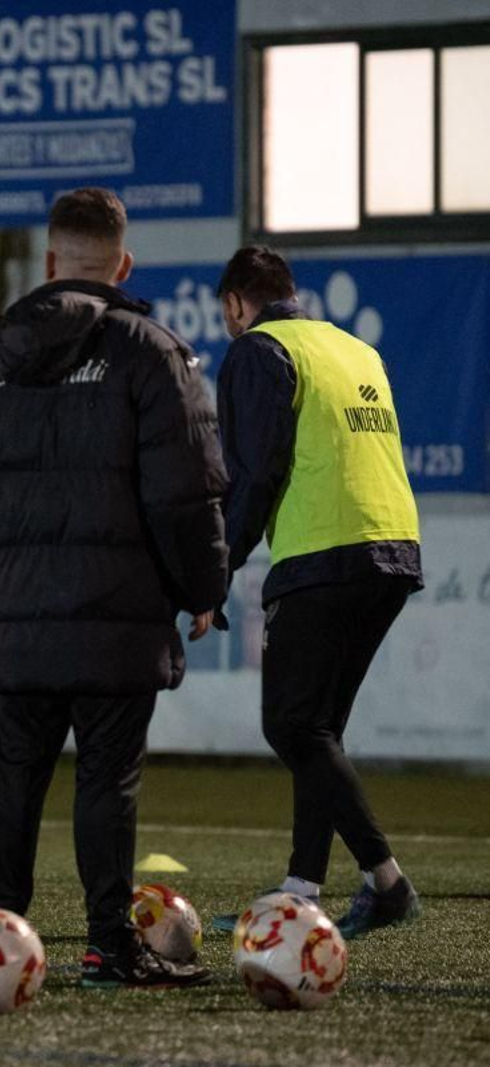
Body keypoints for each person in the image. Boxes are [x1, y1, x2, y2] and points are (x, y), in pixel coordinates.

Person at [0, 188, 227, 987]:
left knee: (14, 774)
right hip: (117, 618)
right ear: (121, 264)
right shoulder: (151, 351)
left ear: (51, 259)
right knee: (108, 779)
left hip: (12, 619)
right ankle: (106, 946)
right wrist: (204, 586)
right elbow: (186, 496)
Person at [209, 245, 423, 939]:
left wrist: (217, 566)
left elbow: (254, 471)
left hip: (321, 554)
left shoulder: (258, 350)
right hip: (393, 549)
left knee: (293, 725)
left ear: (238, 304)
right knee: (318, 728)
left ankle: (385, 880)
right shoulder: (354, 350)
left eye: (228, 315)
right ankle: (302, 886)